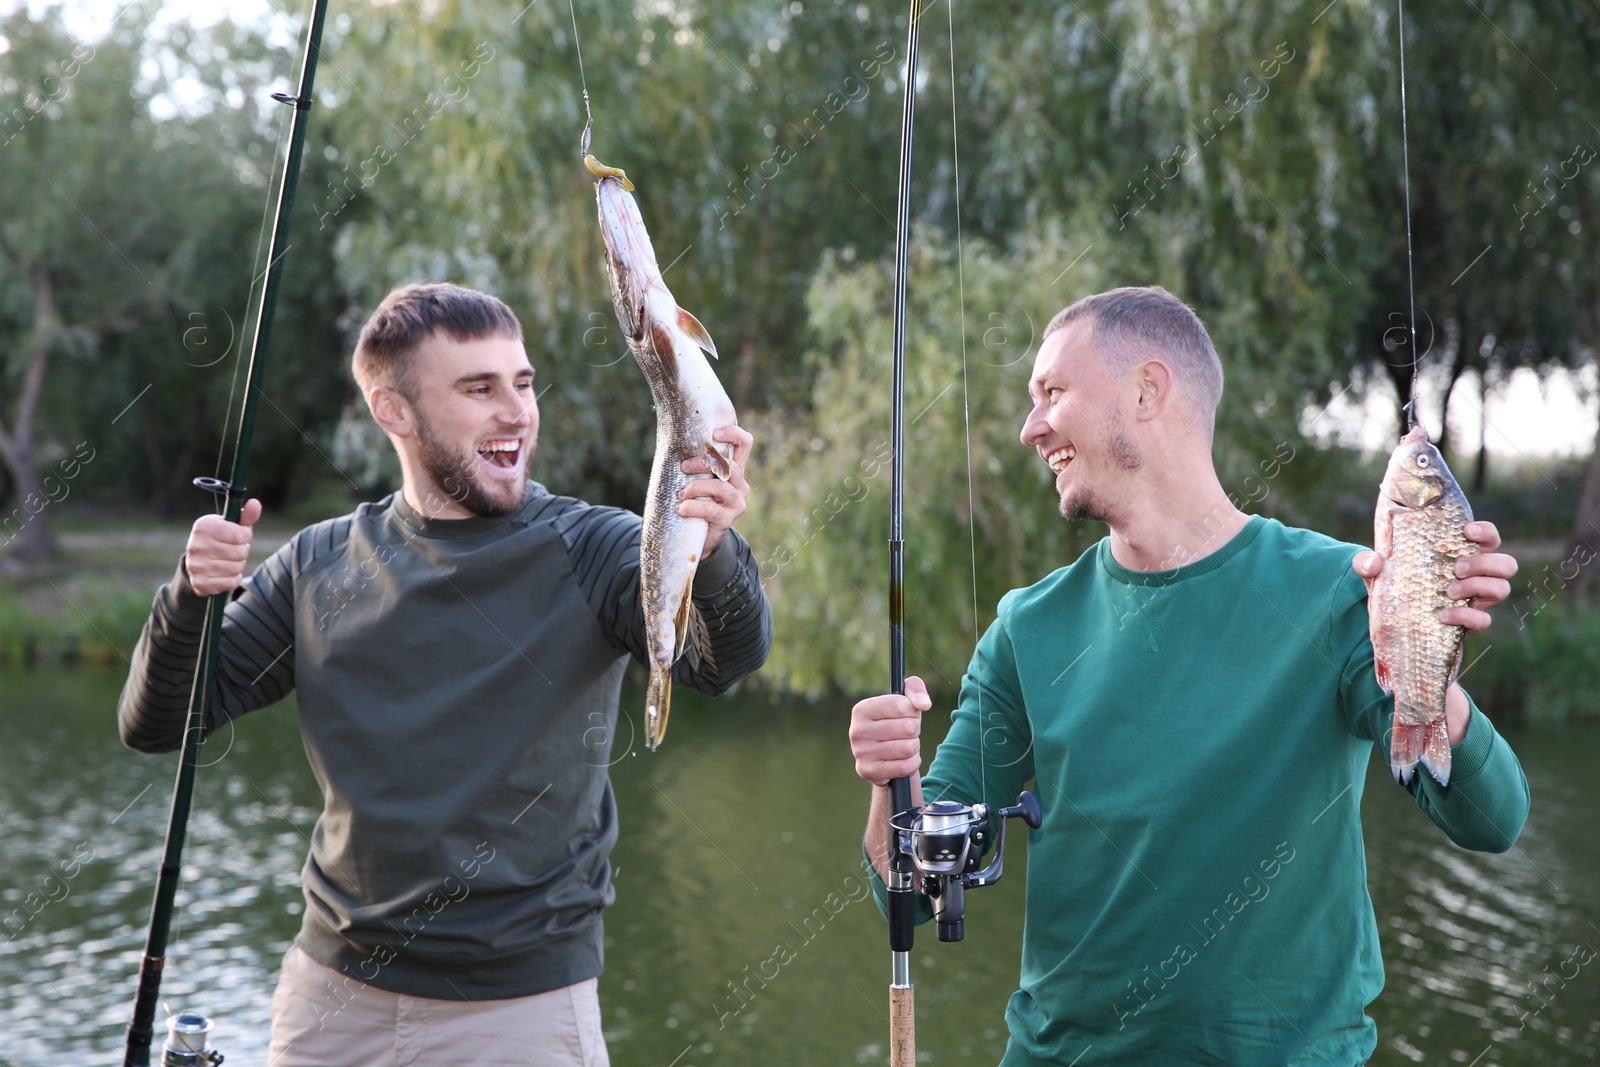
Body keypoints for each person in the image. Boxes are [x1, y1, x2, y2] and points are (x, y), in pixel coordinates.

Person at [848, 286, 1528, 1066]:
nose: (1030, 427)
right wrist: (887, 781)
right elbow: (911, 894)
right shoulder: (1026, 628)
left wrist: (1422, 655)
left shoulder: (1343, 592)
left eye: (1052, 393)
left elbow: (1494, 818)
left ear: (1146, 390)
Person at [119, 283, 772, 1066]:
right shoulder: (319, 564)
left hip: (522, 1014)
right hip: (330, 1004)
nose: (517, 411)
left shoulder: (597, 548)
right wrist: (193, 593)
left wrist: (713, 547)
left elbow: (718, 662)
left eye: (523, 383)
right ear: (394, 411)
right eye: (479, 388)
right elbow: (158, 724)